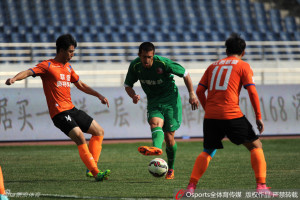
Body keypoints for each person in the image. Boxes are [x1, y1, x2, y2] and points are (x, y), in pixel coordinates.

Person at [5, 34, 110, 182]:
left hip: (72, 109)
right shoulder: (47, 65)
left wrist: (98, 95)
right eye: (70, 51)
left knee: (99, 132)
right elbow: (29, 72)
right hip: (59, 113)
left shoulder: (68, 67)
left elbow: (80, 85)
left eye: (73, 52)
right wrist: (14, 78)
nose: (72, 55)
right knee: (80, 136)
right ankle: (95, 172)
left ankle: (91, 166)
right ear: (61, 50)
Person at [186, 33, 276, 196]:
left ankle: (191, 187)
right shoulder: (243, 66)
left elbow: (199, 91)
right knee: (256, 146)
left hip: (211, 117)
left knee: (208, 150)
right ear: (243, 52)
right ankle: (261, 186)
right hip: (231, 114)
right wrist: (258, 116)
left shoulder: (213, 66)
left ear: (226, 51)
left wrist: (209, 109)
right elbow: (252, 92)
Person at [124, 42, 199, 179]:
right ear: (139, 55)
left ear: (153, 55)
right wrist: (133, 95)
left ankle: (171, 168)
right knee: (154, 123)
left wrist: (192, 94)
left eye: (149, 57)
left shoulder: (163, 63)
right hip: (154, 101)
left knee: (169, 138)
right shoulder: (135, 66)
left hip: (171, 101)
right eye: (144, 57)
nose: (147, 60)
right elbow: (128, 85)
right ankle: (156, 148)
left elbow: (186, 74)